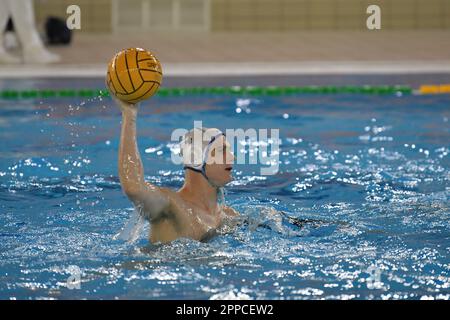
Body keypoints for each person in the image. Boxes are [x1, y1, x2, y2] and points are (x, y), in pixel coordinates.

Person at [117, 99, 239, 244]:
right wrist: (129, 114)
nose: (233, 157)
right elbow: (134, 187)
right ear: (197, 158)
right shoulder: (171, 207)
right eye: (222, 150)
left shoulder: (227, 216)